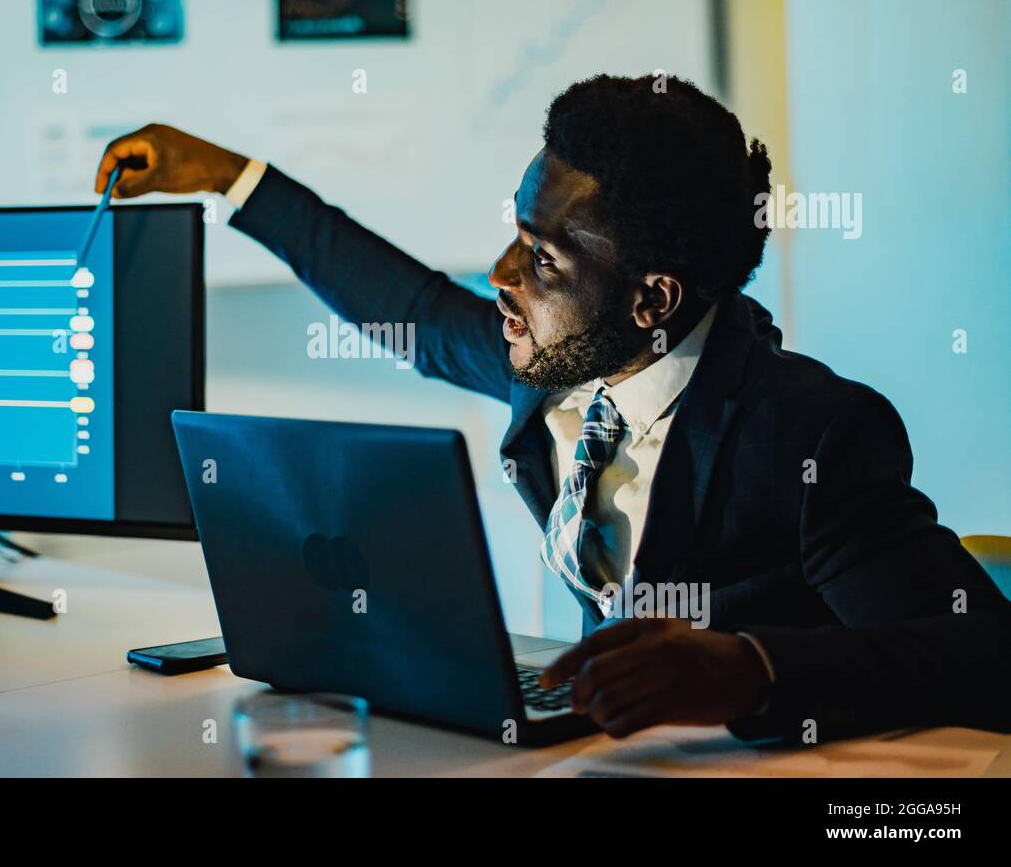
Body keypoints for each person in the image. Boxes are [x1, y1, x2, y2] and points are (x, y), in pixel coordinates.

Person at [94, 74, 1010, 742]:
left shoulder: (809, 431)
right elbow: (408, 308)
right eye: (515, 234)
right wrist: (226, 176)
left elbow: (982, 654)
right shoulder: (555, 362)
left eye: (541, 260)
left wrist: (750, 669)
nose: (499, 277)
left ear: (652, 300)